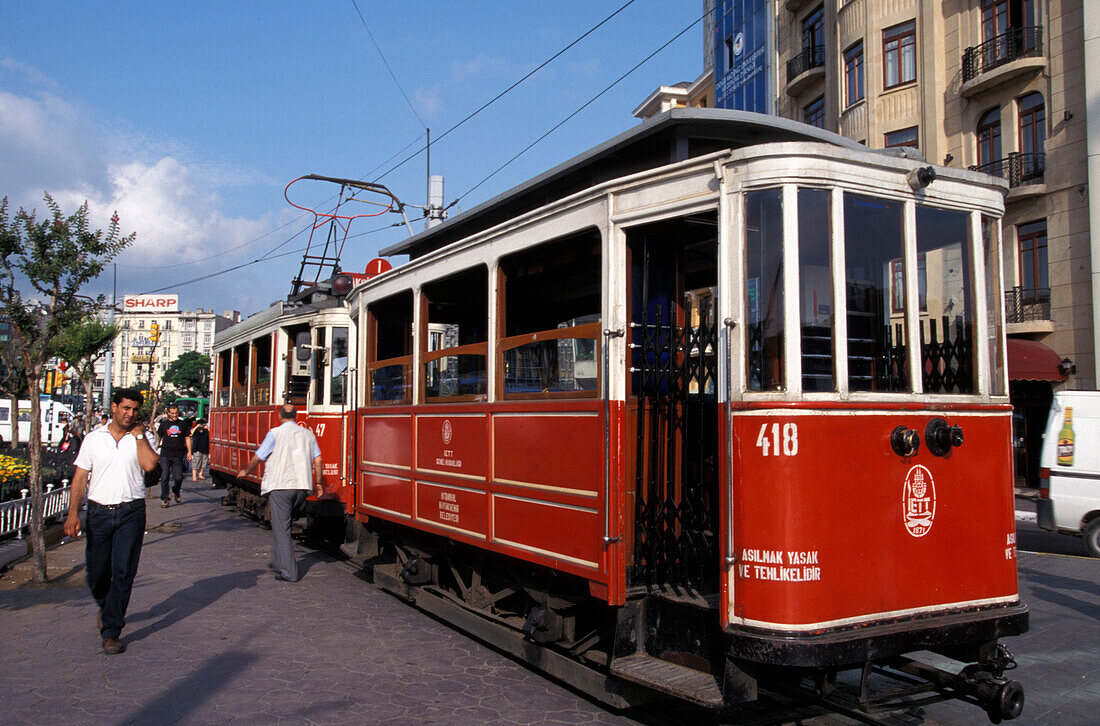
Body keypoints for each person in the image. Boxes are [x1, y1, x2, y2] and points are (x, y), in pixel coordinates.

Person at [63, 388, 159, 655]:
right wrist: (73, 513)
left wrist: (139, 435)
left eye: (135, 410)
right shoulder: (94, 439)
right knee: (96, 573)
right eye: (126, 408)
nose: (131, 414)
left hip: (131, 512)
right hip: (98, 513)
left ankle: (111, 632)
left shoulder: (143, 437)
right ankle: (106, 606)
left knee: (124, 571)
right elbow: (80, 478)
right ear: (114, 407)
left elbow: (151, 465)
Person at [236, 404, 322, 582]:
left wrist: (246, 471)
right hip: (302, 487)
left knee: (282, 529)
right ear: (296, 416)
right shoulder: (308, 434)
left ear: (280, 416)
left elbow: (258, 456)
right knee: (284, 524)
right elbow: (318, 459)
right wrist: (319, 482)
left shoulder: (275, 433)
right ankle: (278, 562)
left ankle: (289, 573)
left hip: (281, 486)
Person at [156, 403, 188, 507]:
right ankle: (165, 498)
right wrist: (155, 449)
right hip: (165, 453)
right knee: (164, 476)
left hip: (178, 454)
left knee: (178, 477)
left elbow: (187, 438)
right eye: (172, 413)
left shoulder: (182, 424)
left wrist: (190, 452)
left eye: (176, 413)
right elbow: (159, 437)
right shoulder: (164, 424)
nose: (174, 415)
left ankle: (176, 490)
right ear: (168, 413)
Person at [190, 418, 210, 484]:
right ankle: (194, 475)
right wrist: (196, 427)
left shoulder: (206, 431)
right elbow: (191, 434)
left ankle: (200, 474)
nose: (202, 425)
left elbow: (211, 435)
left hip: (205, 448)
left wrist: (207, 428)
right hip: (197, 448)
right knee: (196, 461)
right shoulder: (196, 431)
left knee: (204, 461)